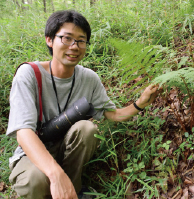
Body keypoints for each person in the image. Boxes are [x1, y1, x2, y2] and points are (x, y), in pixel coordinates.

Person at [6, 10, 161, 199]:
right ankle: (56, 186)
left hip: (65, 146)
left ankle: (73, 189)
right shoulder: (29, 74)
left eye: (81, 40)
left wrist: (140, 104)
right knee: (35, 180)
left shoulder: (89, 78)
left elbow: (111, 114)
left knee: (88, 128)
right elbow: (23, 133)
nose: (74, 46)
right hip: (32, 152)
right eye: (66, 38)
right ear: (49, 40)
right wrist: (55, 174)